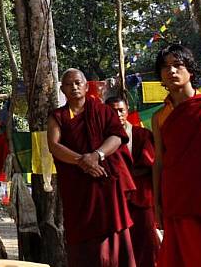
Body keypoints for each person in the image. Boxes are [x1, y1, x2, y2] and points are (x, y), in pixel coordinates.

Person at [151, 44, 201, 267]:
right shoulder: (159, 117)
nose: (172, 72)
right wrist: (157, 204)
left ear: (190, 70)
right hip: (176, 199)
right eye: (166, 67)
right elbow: (159, 161)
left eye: (178, 65)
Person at [47, 69, 136, 267]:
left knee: (113, 233)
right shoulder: (58, 116)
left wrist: (97, 155)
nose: (74, 87)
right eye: (69, 84)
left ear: (87, 86)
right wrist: (83, 161)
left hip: (104, 184)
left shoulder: (102, 111)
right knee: (83, 244)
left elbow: (117, 136)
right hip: (78, 188)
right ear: (62, 89)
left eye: (78, 83)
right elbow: (54, 145)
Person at [106, 96, 160, 267]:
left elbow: (150, 164)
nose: (118, 114)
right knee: (121, 247)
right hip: (115, 200)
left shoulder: (142, 134)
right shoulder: (102, 140)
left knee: (147, 244)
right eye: (113, 111)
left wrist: (124, 174)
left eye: (121, 110)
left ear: (128, 109)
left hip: (142, 198)